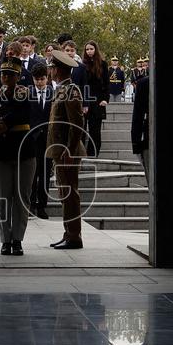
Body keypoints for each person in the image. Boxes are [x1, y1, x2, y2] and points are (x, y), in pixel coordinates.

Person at [0, 56, 35, 255]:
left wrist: (3, 123)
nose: (5, 77)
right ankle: (5, 239)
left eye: (10, 74)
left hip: (23, 150)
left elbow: (19, 113)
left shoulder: (25, 94)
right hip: (2, 151)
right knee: (3, 198)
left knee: (21, 197)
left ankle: (17, 239)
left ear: (18, 76)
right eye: (3, 74)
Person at [46, 48, 86, 249]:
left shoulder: (71, 90)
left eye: (52, 67)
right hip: (60, 150)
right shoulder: (62, 89)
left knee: (70, 194)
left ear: (58, 70)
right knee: (64, 193)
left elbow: (77, 124)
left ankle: (74, 236)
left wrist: (69, 150)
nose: (50, 71)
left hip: (67, 151)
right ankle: (68, 232)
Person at [72, 40, 108, 157]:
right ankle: (81, 154)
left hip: (98, 101)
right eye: (87, 49)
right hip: (83, 99)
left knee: (95, 131)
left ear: (95, 50)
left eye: (91, 49)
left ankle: (93, 155)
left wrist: (105, 99)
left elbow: (107, 83)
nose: (89, 51)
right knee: (81, 129)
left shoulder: (103, 64)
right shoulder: (82, 65)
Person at [29, 63, 53, 220]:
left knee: (45, 173)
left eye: (42, 79)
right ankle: (30, 203)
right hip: (31, 138)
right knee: (32, 173)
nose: (39, 82)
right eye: (37, 79)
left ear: (47, 78)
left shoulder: (54, 93)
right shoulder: (27, 93)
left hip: (48, 139)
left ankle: (42, 205)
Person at [131, 74, 149, 184]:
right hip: (149, 137)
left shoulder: (143, 82)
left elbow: (138, 115)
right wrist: (136, 143)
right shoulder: (144, 83)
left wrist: (136, 142)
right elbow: (138, 114)